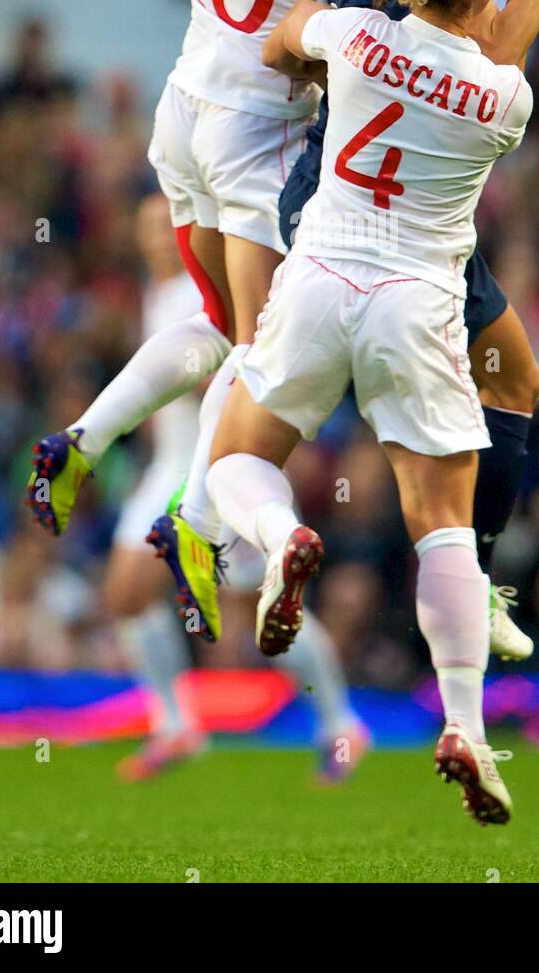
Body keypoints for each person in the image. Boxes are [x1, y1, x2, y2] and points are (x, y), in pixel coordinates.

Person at [198, 0, 539, 824]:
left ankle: (281, 541)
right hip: (417, 308)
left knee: (236, 457)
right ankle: (466, 725)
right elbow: (498, 54)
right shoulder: (508, 99)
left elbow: (288, 34)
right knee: (442, 531)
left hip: (317, 277)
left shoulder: (354, 36)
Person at [27, 0, 393, 643]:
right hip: (255, 133)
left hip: (181, 110)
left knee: (228, 324)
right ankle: (193, 521)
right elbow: (318, 42)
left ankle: (85, 439)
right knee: (264, 344)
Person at [108, 196, 368, 783]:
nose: (157, 238)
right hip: (168, 470)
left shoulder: (210, 296)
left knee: (261, 608)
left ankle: (338, 724)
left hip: (214, 466)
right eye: (147, 227)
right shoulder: (158, 294)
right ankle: (178, 726)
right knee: (129, 595)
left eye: (165, 226)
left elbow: (232, 381)